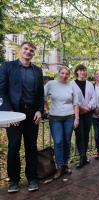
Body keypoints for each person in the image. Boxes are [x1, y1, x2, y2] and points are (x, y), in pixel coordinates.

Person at [0, 41, 44, 193]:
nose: (28, 52)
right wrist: (9, 113)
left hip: (32, 115)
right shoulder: (7, 67)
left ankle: (32, 178)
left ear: (33, 54)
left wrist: (40, 110)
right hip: (14, 114)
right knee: (13, 147)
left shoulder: (38, 71)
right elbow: (2, 91)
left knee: (31, 147)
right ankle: (14, 180)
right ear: (20, 50)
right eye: (26, 49)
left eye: (31, 50)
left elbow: (40, 94)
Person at [44, 66, 79, 179]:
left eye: (67, 74)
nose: (64, 75)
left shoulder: (72, 86)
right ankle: (59, 165)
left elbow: (75, 104)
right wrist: (47, 110)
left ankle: (65, 164)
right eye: (62, 73)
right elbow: (43, 97)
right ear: (58, 73)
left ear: (69, 75)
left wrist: (76, 118)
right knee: (58, 141)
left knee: (67, 141)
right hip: (55, 118)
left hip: (69, 117)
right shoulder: (51, 84)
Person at [71, 64, 96, 169]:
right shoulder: (71, 84)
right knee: (79, 135)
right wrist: (81, 108)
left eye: (84, 70)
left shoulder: (90, 84)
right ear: (77, 72)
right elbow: (71, 99)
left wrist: (88, 107)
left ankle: (84, 156)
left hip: (88, 113)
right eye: (80, 70)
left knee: (86, 135)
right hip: (78, 114)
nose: (82, 72)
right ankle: (81, 158)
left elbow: (93, 98)